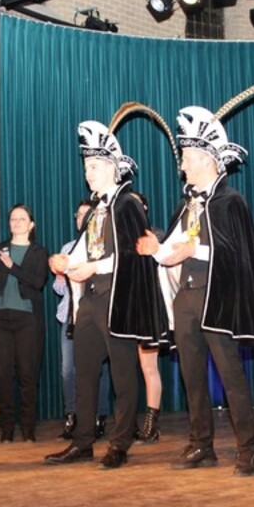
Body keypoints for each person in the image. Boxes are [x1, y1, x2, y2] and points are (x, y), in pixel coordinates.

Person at [137, 106, 254, 477]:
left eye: (188, 158)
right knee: (192, 375)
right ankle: (201, 443)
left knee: (230, 375)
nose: (183, 166)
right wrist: (157, 250)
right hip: (188, 297)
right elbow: (173, 251)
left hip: (218, 297)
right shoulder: (187, 204)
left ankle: (250, 449)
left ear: (209, 160)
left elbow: (239, 252)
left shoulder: (231, 201)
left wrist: (195, 249)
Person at [44, 119, 167, 469]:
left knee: (123, 376)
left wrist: (91, 268)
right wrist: (65, 262)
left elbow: (133, 253)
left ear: (113, 168)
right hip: (91, 301)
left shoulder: (128, 204)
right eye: (86, 167)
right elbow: (84, 252)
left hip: (119, 299)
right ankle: (83, 441)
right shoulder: (96, 211)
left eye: (95, 166)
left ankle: (120, 444)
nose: (89, 174)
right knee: (84, 373)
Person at [0, 204, 49, 443]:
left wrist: (12, 267)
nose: (17, 222)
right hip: (0, 319)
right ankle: (7, 430)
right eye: (13, 219)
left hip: (27, 320)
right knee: (2, 375)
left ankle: (28, 429)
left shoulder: (39, 252)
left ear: (31, 225)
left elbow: (37, 282)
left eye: (22, 219)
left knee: (27, 375)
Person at [53, 199, 112, 442]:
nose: (82, 219)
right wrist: (60, 278)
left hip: (98, 315)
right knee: (68, 369)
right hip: (71, 316)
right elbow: (59, 289)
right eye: (78, 215)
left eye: (87, 215)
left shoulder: (104, 246)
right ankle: (72, 416)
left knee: (101, 369)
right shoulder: (68, 248)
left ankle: (99, 417)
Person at [129, 191, 162, 443]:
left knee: (148, 367)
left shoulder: (156, 235)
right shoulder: (115, 237)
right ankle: (125, 422)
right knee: (122, 369)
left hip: (147, 308)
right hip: (122, 309)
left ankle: (151, 424)